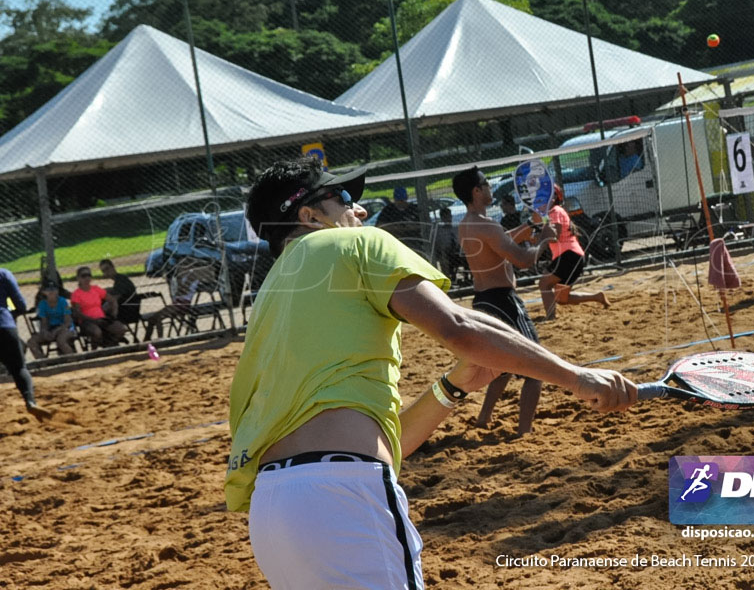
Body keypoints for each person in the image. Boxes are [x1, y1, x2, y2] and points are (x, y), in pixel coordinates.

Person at [227, 157, 635, 589]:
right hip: (342, 495)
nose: (360, 211)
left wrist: (451, 387)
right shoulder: (353, 244)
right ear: (308, 216)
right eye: (345, 198)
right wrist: (575, 376)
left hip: (272, 512)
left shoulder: (270, 297)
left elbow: (379, 444)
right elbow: (458, 325)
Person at [453, 166, 554, 435]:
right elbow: (522, 260)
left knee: (503, 366)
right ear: (476, 191)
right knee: (537, 368)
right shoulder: (486, 225)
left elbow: (499, 242)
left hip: (483, 301)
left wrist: (530, 226)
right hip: (503, 301)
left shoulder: (467, 224)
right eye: (485, 184)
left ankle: (483, 418)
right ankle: (524, 432)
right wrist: (543, 241)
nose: (489, 188)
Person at [538, 184, 610, 319]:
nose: (542, 197)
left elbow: (554, 237)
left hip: (568, 256)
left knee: (544, 283)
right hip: (573, 257)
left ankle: (550, 317)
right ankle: (597, 297)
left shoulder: (555, 211)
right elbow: (551, 235)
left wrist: (541, 239)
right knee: (562, 299)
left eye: (546, 194)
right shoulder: (552, 213)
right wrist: (540, 237)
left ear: (554, 197)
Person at [0, 268, 52, 420]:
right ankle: (30, 401)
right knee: (19, 368)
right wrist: (13, 313)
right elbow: (20, 303)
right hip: (4, 325)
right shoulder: (3, 274)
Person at [70, 266, 127, 348]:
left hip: (101, 318)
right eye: (83, 276)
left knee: (121, 329)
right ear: (78, 278)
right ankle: (95, 351)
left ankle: (109, 344)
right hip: (87, 321)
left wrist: (113, 314)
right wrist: (93, 320)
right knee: (97, 332)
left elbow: (112, 300)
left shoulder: (96, 289)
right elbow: (77, 313)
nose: (87, 278)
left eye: (89, 275)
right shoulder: (76, 294)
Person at [143, 264, 202, 340]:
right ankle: (146, 340)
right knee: (152, 319)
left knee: (158, 317)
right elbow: (175, 292)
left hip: (183, 303)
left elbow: (183, 291)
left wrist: (179, 281)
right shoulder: (178, 276)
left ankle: (160, 339)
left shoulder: (191, 275)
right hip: (176, 303)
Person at [28, 281, 75, 358]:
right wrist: (45, 332)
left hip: (66, 328)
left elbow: (68, 322)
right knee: (31, 342)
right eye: (48, 290)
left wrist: (57, 331)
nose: (51, 292)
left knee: (61, 340)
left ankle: (74, 359)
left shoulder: (63, 302)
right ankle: (43, 363)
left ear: (57, 291)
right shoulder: (42, 304)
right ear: (44, 292)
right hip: (51, 329)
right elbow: (44, 322)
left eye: (53, 289)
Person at [99, 259, 139, 327]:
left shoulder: (120, 281)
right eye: (103, 271)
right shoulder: (120, 279)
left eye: (107, 269)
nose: (106, 272)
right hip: (130, 311)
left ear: (113, 267)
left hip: (127, 314)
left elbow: (113, 301)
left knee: (101, 320)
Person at [432, 207, 461, 282]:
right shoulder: (439, 231)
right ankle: (448, 279)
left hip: (458, 252)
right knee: (444, 255)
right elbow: (437, 246)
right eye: (445, 217)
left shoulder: (457, 227)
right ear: (442, 218)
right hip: (446, 253)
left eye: (449, 216)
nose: (448, 219)